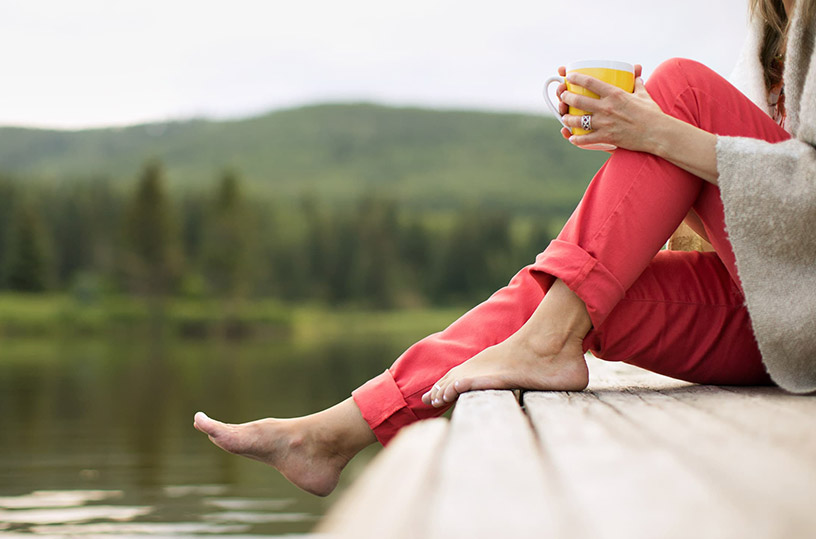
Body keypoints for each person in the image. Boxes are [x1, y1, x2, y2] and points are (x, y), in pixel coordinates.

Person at [194, 0, 816, 497]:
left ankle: (544, 346)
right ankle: (335, 434)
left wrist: (659, 134)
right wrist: (651, 160)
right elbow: (748, 195)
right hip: (780, 304)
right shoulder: (770, 27)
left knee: (679, 86)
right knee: (568, 296)